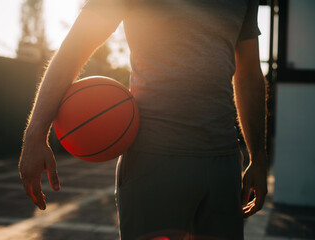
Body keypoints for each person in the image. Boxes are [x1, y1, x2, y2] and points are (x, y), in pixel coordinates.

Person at [19, 0, 268, 239]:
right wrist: (35, 133)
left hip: (223, 163)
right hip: (154, 158)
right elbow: (75, 47)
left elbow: (248, 74)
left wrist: (258, 157)